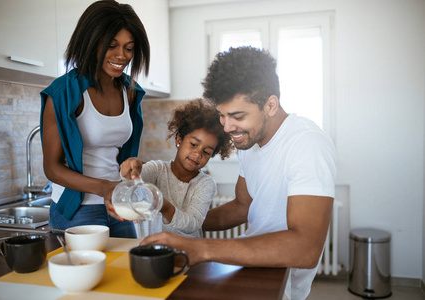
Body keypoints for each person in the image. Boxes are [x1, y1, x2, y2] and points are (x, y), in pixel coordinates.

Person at [140, 47, 337, 300]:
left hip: (279, 279)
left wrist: (203, 248)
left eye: (238, 116)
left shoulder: (306, 144)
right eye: (222, 115)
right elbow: (242, 206)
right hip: (247, 265)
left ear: (270, 105)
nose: (227, 127)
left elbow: (306, 248)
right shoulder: (249, 144)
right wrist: (180, 220)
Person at [40, 0, 150, 238]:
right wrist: (103, 187)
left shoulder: (130, 92)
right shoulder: (64, 93)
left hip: (116, 203)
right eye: (112, 45)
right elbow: (51, 168)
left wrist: (130, 168)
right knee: (87, 274)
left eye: (129, 48)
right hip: (78, 208)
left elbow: (120, 154)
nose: (122, 56)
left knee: (125, 271)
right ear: (90, 42)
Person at [120, 99, 234, 238]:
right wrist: (131, 168)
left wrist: (163, 205)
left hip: (189, 252)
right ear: (179, 140)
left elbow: (193, 223)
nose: (197, 154)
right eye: (193, 144)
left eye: (206, 152)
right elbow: (130, 181)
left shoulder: (206, 184)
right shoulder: (157, 169)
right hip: (155, 249)